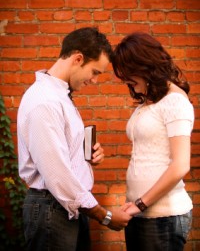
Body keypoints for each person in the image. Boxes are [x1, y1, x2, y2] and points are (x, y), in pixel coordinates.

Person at [17, 27, 131, 251]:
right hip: (53, 209)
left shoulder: (60, 96)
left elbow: (60, 155)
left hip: (68, 208)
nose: (94, 81)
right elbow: (57, 175)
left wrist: (86, 155)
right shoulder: (45, 101)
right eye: (95, 72)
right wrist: (105, 216)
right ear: (78, 58)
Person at [112, 32, 194, 251]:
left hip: (163, 217)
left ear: (144, 66)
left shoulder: (175, 101)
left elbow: (180, 165)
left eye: (128, 74)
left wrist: (140, 203)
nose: (124, 80)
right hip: (140, 213)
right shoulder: (150, 100)